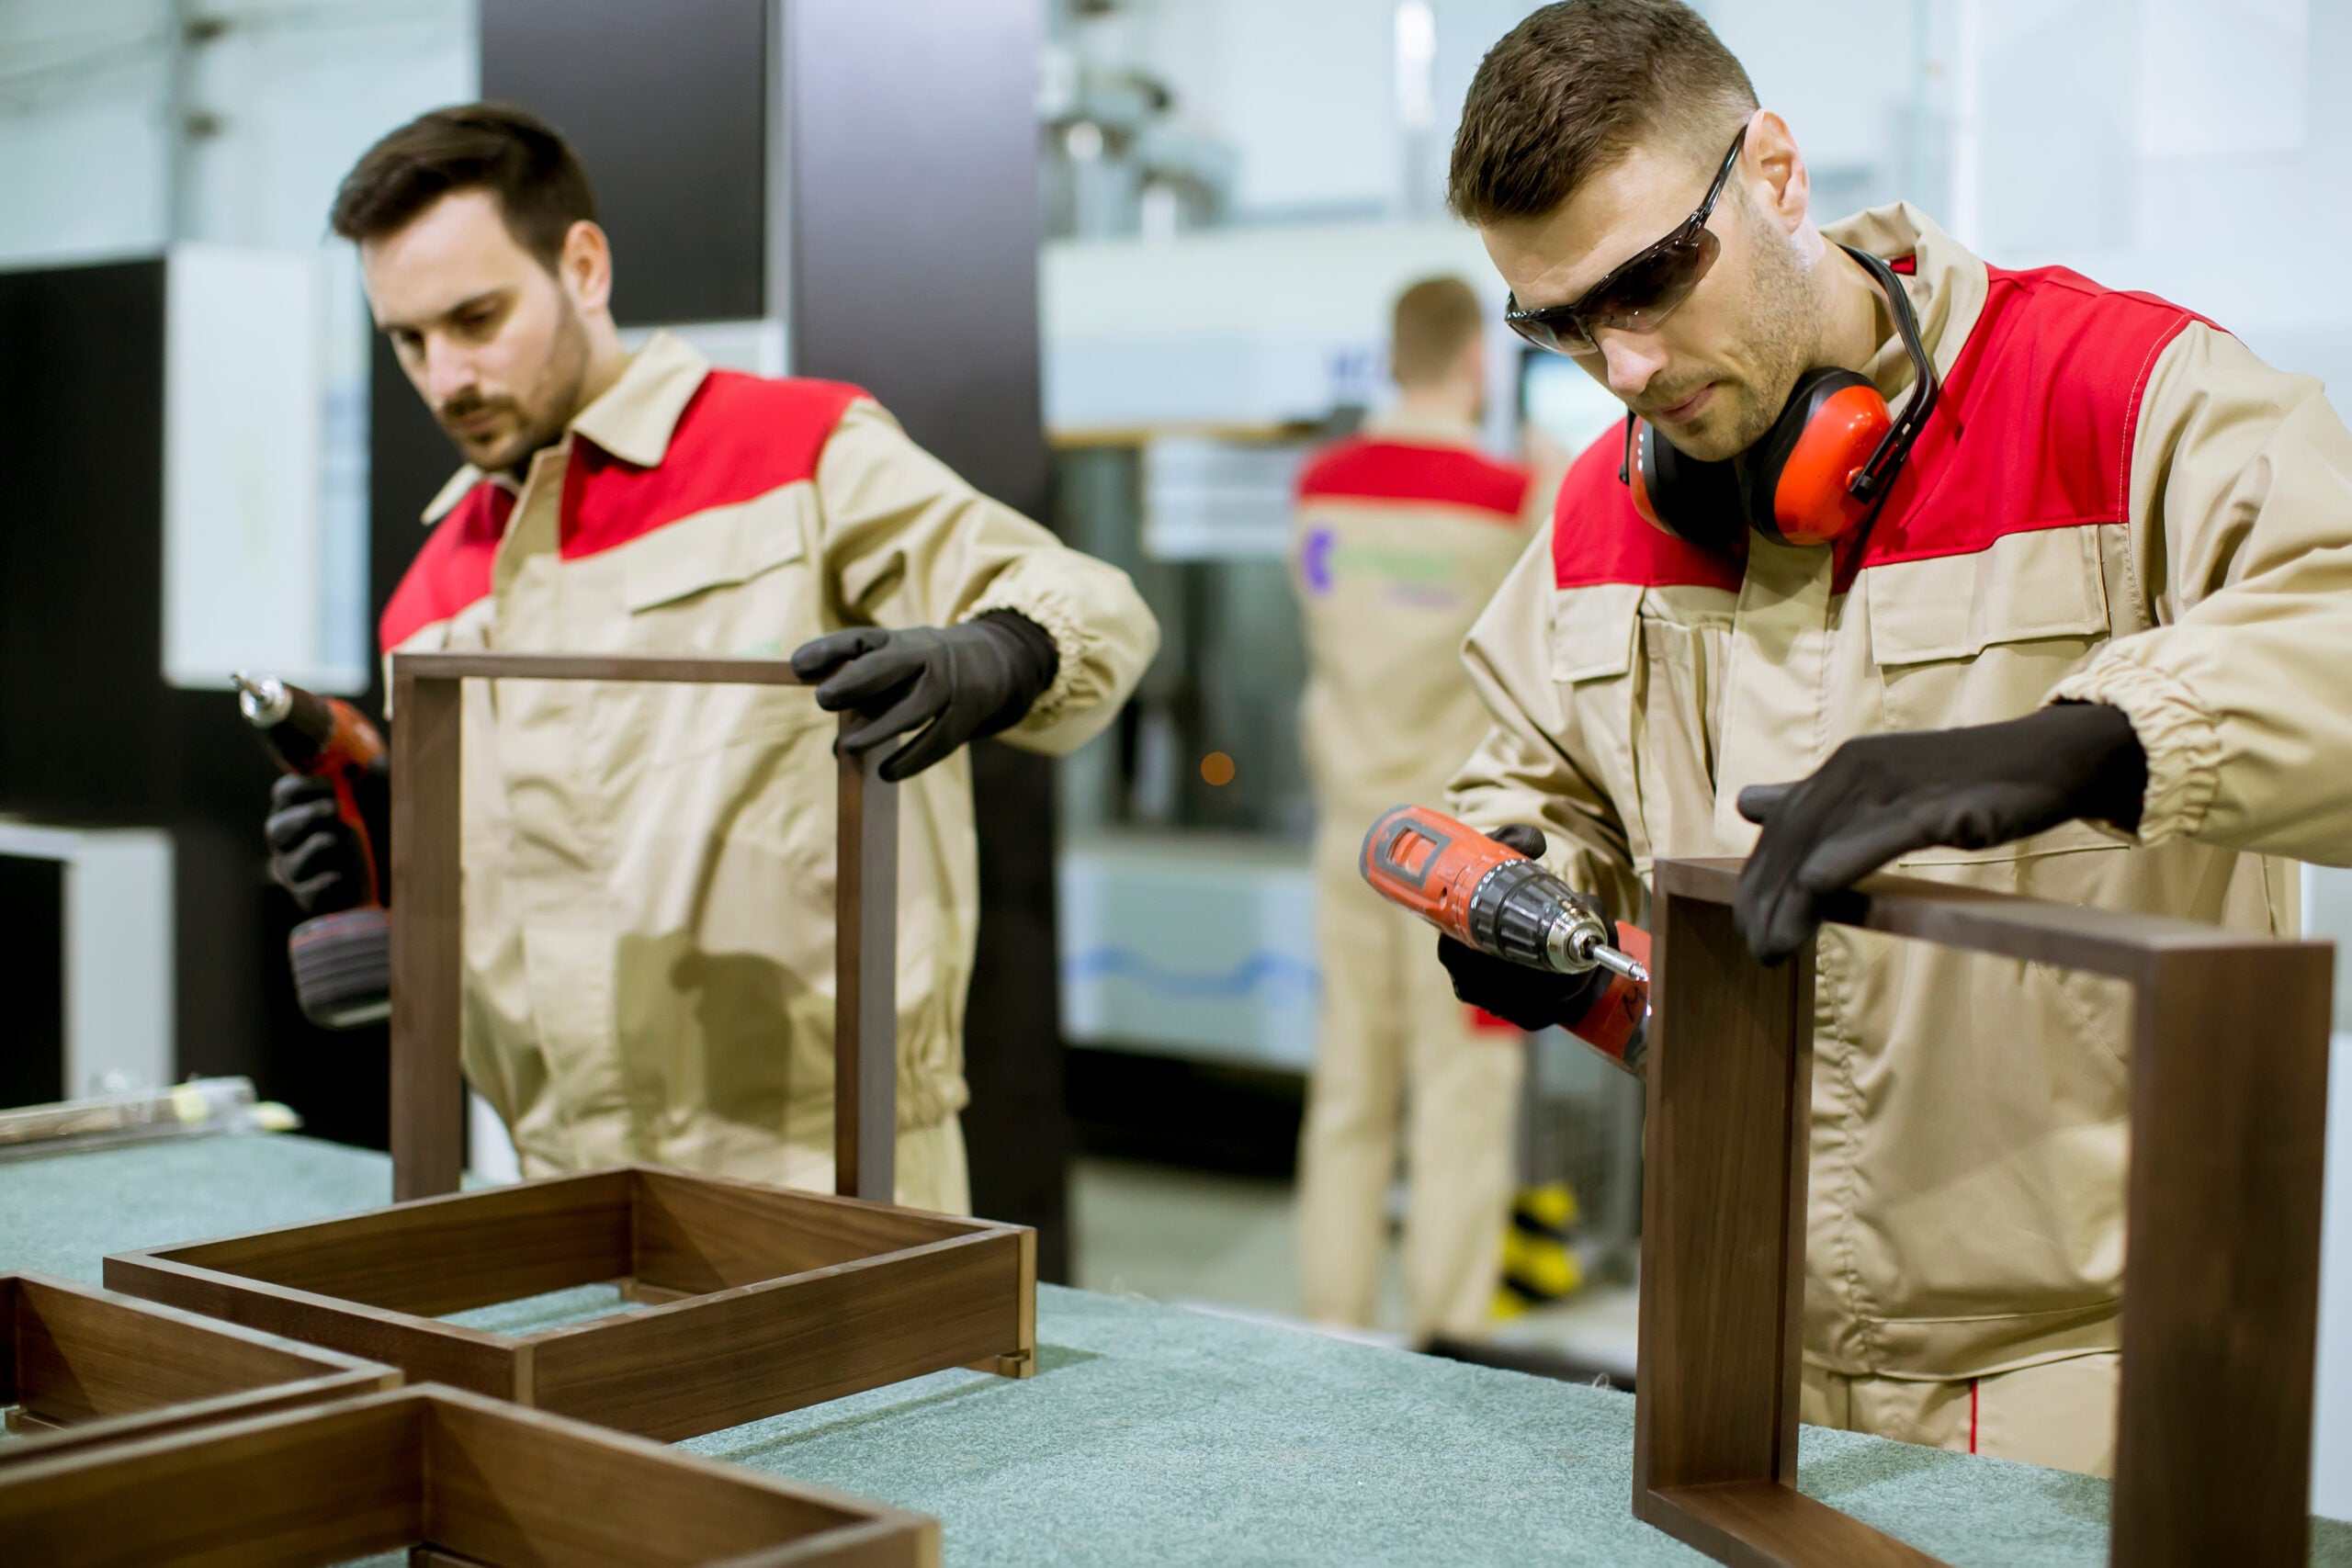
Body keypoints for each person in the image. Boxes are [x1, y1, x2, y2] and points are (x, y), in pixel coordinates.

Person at [1437, 0, 2352, 1474]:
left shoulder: (2122, 397)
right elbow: (1528, 775)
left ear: (1778, 172)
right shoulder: (1614, 502)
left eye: (1652, 281)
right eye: (1559, 322)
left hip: (2086, 1360)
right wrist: (1525, 874)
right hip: (1729, 1328)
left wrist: (2101, 738)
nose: (1619, 369)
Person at [265, 105, 1158, 1213]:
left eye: (477, 318)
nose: (447, 376)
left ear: (582, 266)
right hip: (563, 1185)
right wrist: (391, 864)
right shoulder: (435, 595)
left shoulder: (797, 453)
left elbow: (1091, 603)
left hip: (835, 1171)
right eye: (409, 340)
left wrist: (1001, 649)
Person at [1290, 276, 1552, 1343]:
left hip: (1346, 837)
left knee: (1350, 1091)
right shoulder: (1507, 495)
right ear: (1475, 363)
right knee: (1459, 1098)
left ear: (1392, 357)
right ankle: (1443, 1339)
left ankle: (1331, 1324)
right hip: (1458, 855)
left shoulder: (1320, 489)